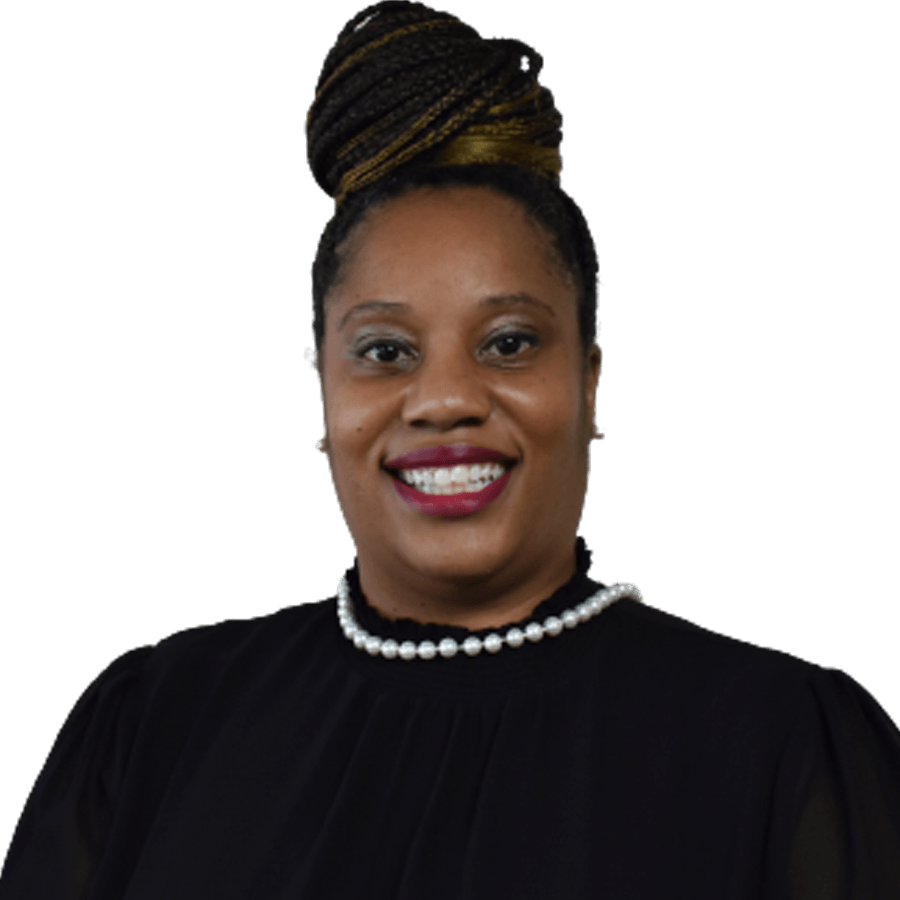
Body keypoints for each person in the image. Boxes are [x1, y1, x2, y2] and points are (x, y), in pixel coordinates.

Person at [2, 1, 899, 896]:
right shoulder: (156, 722)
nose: (444, 401)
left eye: (508, 342)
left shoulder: (782, 744)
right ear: (322, 391)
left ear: (590, 381)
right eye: (384, 352)